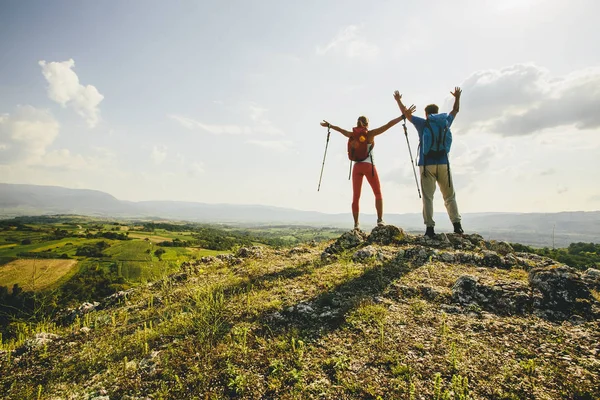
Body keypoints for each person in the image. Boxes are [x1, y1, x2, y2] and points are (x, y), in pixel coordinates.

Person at [320, 108, 415, 231]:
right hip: (368, 166)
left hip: (356, 167)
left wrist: (330, 126)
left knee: (356, 197)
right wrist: (403, 117)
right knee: (377, 192)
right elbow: (388, 125)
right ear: (367, 124)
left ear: (357, 123)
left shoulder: (352, 134)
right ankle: (380, 220)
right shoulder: (370, 134)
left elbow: (341, 130)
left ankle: (356, 225)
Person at [393, 88, 464, 238]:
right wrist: (457, 97)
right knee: (449, 196)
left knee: (428, 197)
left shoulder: (423, 124)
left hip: (426, 164)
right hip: (444, 163)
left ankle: (430, 229)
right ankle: (457, 226)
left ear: (427, 114)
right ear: (437, 112)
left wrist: (398, 100)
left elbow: (407, 115)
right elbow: (455, 110)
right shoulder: (445, 122)